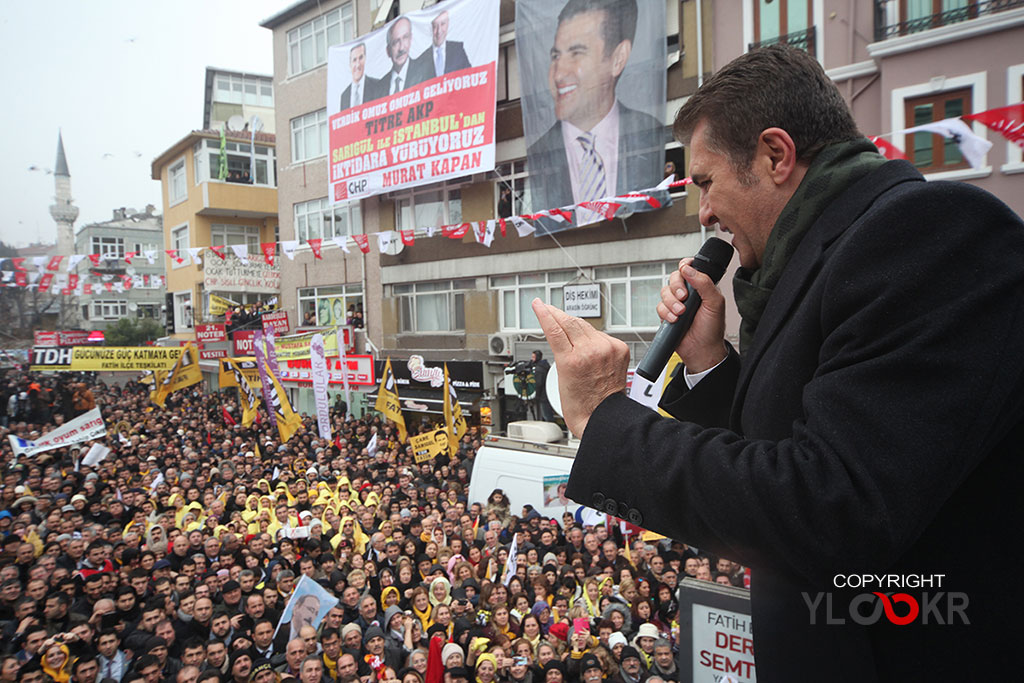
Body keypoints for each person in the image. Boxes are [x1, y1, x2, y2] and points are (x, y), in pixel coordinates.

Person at [533, 44, 1024, 680]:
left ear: (775, 155)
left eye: (706, 182)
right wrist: (709, 363)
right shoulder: (822, 260)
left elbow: (832, 504)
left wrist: (607, 416)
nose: (703, 212)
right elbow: (780, 449)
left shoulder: (928, 234)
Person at [526, 0, 663, 222]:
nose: (559, 74)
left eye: (576, 53)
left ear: (617, 59)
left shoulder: (652, 134)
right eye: (555, 56)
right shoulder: (539, 153)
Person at [411, 10, 471, 82]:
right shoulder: (421, 60)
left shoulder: (458, 50)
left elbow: (470, 78)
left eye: (442, 24)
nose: (439, 31)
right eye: (435, 26)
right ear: (430, 28)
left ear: (448, 24)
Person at [339, 43, 382, 111]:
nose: (358, 64)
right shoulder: (344, 96)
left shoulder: (377, 86)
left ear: (365, 59)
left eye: (361, 58)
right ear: (350, 64)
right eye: (354, 60)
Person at [528, 351, 553, 422]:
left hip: (543, 396)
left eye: (533, 357)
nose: (532, 359)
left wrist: (537, 396)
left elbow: (539, 384)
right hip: (548, 394)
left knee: (546, 415)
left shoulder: (539, 369)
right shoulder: (545, 366)